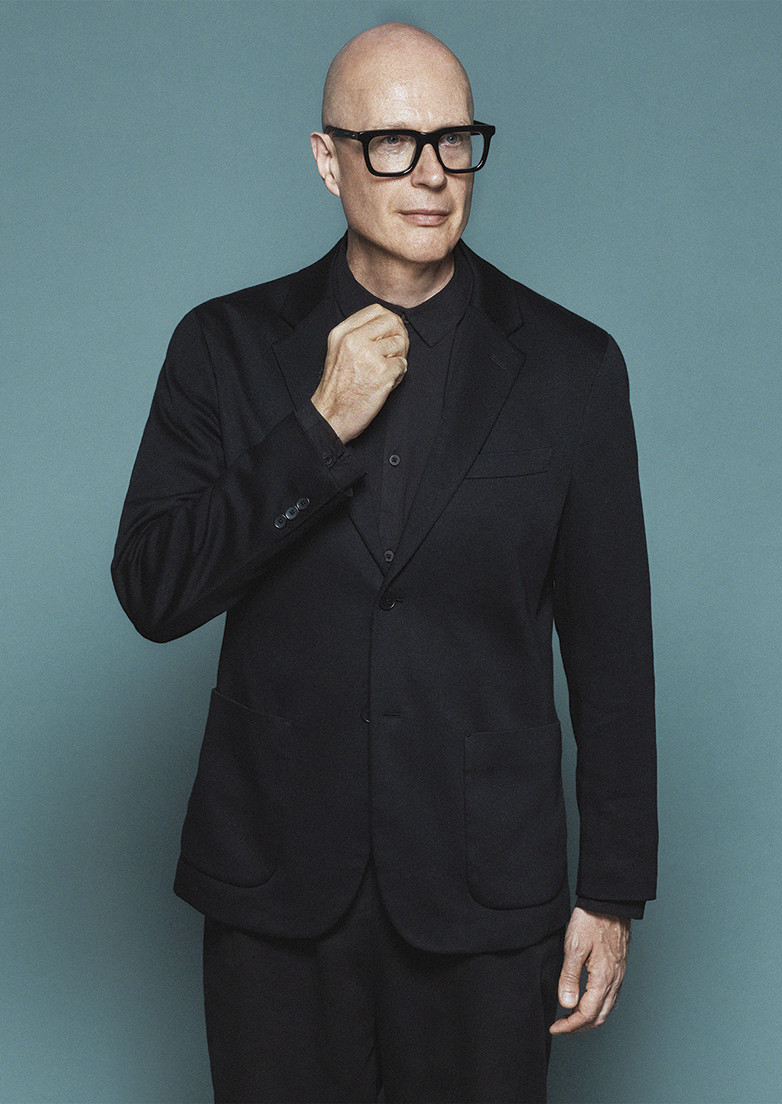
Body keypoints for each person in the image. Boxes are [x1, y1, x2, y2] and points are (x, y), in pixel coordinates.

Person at [112, 21, 657, 1104]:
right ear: (329, 160)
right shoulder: (222, 346)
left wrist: (611, 893)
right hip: (274, 886)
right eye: (393, 144)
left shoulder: (573, 366)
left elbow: (611, 651)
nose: (433, 174)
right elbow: (154, 590)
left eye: (455, 141)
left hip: (485, 892)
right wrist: (316, 429)